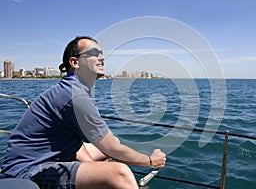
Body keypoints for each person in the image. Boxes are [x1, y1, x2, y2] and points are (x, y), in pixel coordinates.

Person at [1, 36, 166, 189]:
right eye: (94, 53)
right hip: (28, 171)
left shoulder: (74, 90)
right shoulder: (75, 96)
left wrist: (98, 167)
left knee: (108, 149)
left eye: (101, 54)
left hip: (44, 159)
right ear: (75, 62)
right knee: (119, 174)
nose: (102, 58)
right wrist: (150, 161)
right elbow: (112, 148)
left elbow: (74, 144)